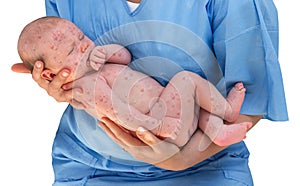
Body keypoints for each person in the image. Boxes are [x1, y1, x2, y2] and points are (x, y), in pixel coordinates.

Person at [12, 0, 288, 185]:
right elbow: (109, 105)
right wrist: (64, 88)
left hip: (205, 163)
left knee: (193, 94)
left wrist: (183, 158)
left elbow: (253, 94)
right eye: (76, 47)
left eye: (82, 42)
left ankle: (218, 122)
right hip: (93, 166)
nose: (83, 46)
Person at [18, 16, 252, 147]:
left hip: (167, 112)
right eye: (71, 50)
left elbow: (125, 57)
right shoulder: (86, 87)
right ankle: (228, 110)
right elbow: (120, 113)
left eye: (81, 36)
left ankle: (219, 132)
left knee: (197, 107)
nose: (83, 44)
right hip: (161, 124)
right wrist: (157, 125)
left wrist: (106, 51)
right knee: (186, 80)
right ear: (49, 74)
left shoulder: (94, 62)